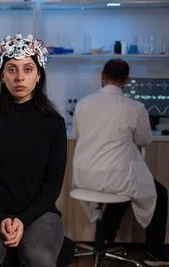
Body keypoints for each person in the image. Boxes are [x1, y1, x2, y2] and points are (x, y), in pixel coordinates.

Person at [0, 33, 67, 267]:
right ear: (2, 75)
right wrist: (1, 217)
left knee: (38, 258)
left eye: (28, 69)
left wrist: (23, 218)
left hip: (40, 213)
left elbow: (53, 186)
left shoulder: (54, 123)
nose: (20, 77)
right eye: (12, 69)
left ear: (39, 75)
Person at [72, 58, 168, 266]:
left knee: (123, 187)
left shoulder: (83, 104)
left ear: (102, 76)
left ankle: (105, 237)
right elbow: (144, 139)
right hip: (114, 179)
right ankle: (154, 254)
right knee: (157, 192)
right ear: (127, 80)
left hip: (84, 178)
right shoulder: (135, 107)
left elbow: (78, 134)